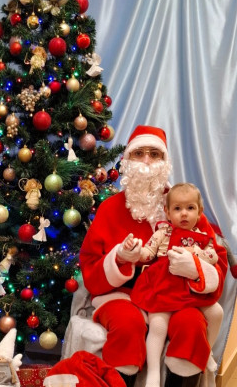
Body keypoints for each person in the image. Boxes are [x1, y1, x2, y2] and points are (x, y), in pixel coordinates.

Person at [79, 125, 228, 387]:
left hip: (177, 296)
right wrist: (120, 259)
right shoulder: (109, 208)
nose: (147, 161)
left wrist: (196, 269)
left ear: (164, 161)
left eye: (154, 154)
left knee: (192, 325)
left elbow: (217, 258)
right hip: (123, 294)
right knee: (127, 325)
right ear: (127, 160)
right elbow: (90, 266)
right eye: (139, 153)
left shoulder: (182, 205)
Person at [129, 183, 223, 387]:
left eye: (190, 208)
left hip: (188, 290)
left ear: (199, 212)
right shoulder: (163, 232)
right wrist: (136, 251)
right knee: (158, 325)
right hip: (162, 286)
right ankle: (153, 372)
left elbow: (212, 257)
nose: (184, 214)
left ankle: (206, 351)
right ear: (167, 212)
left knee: (216, 312)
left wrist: (197, 253)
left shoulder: (203, 237)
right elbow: (148, 253)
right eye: (177, 208)